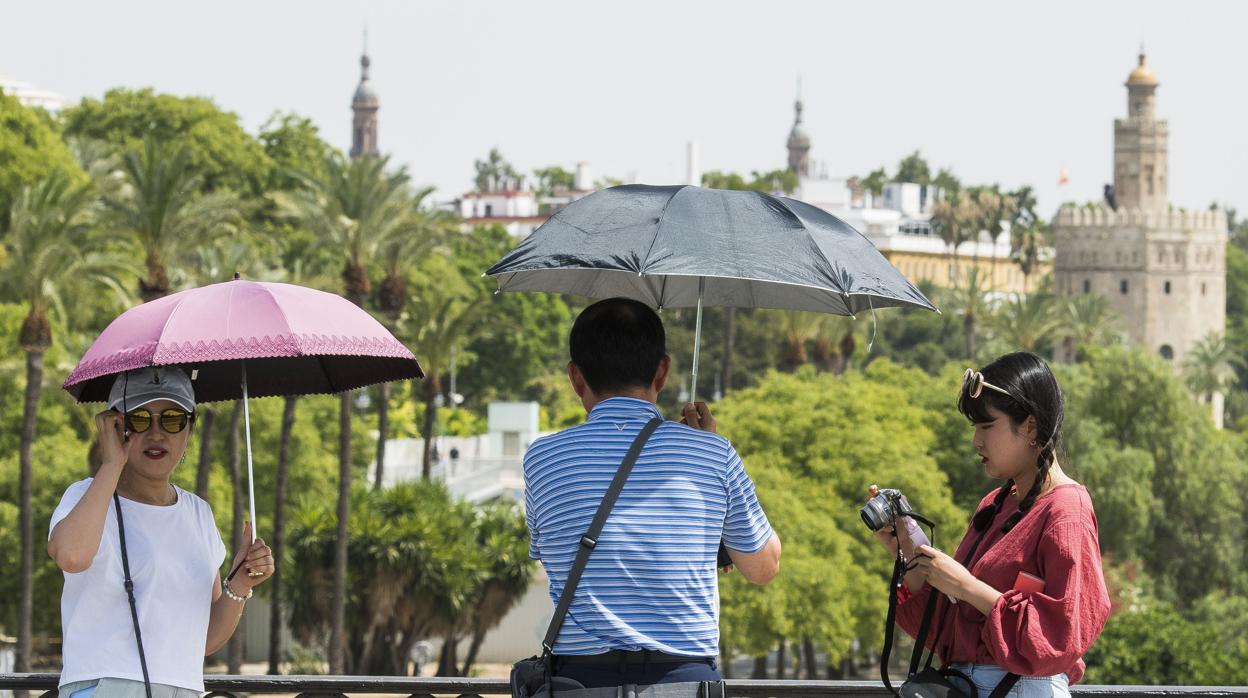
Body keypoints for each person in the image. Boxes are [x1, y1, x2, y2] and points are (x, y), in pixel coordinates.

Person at [524, 297, 781, 689]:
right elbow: (764, 568)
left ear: (576, 377)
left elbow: (554, 556)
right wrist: (705, 451)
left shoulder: (542, 459)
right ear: (662, 371)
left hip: (578, 683)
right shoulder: (713, 453)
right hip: (684, 681)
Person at [874, 352, 1110, 697]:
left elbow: (1063, 635)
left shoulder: (1066, 510)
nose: (976, 441)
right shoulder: (995, 503)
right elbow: (942, 629)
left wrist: (967, 587)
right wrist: (908, 551)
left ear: (1030, 426)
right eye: (975, 427)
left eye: (987, 426)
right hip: (968, 685)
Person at [47, 367, 274, 698]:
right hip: (105, 687)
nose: (156, 434)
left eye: (171, 420)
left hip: (182, 689)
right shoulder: (86, 497)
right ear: (115, 426)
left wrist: (240, 583)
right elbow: (70, 555)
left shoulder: (199, 513)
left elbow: (205, 638)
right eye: (139, 419)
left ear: (188, 430)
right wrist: (111, 464)